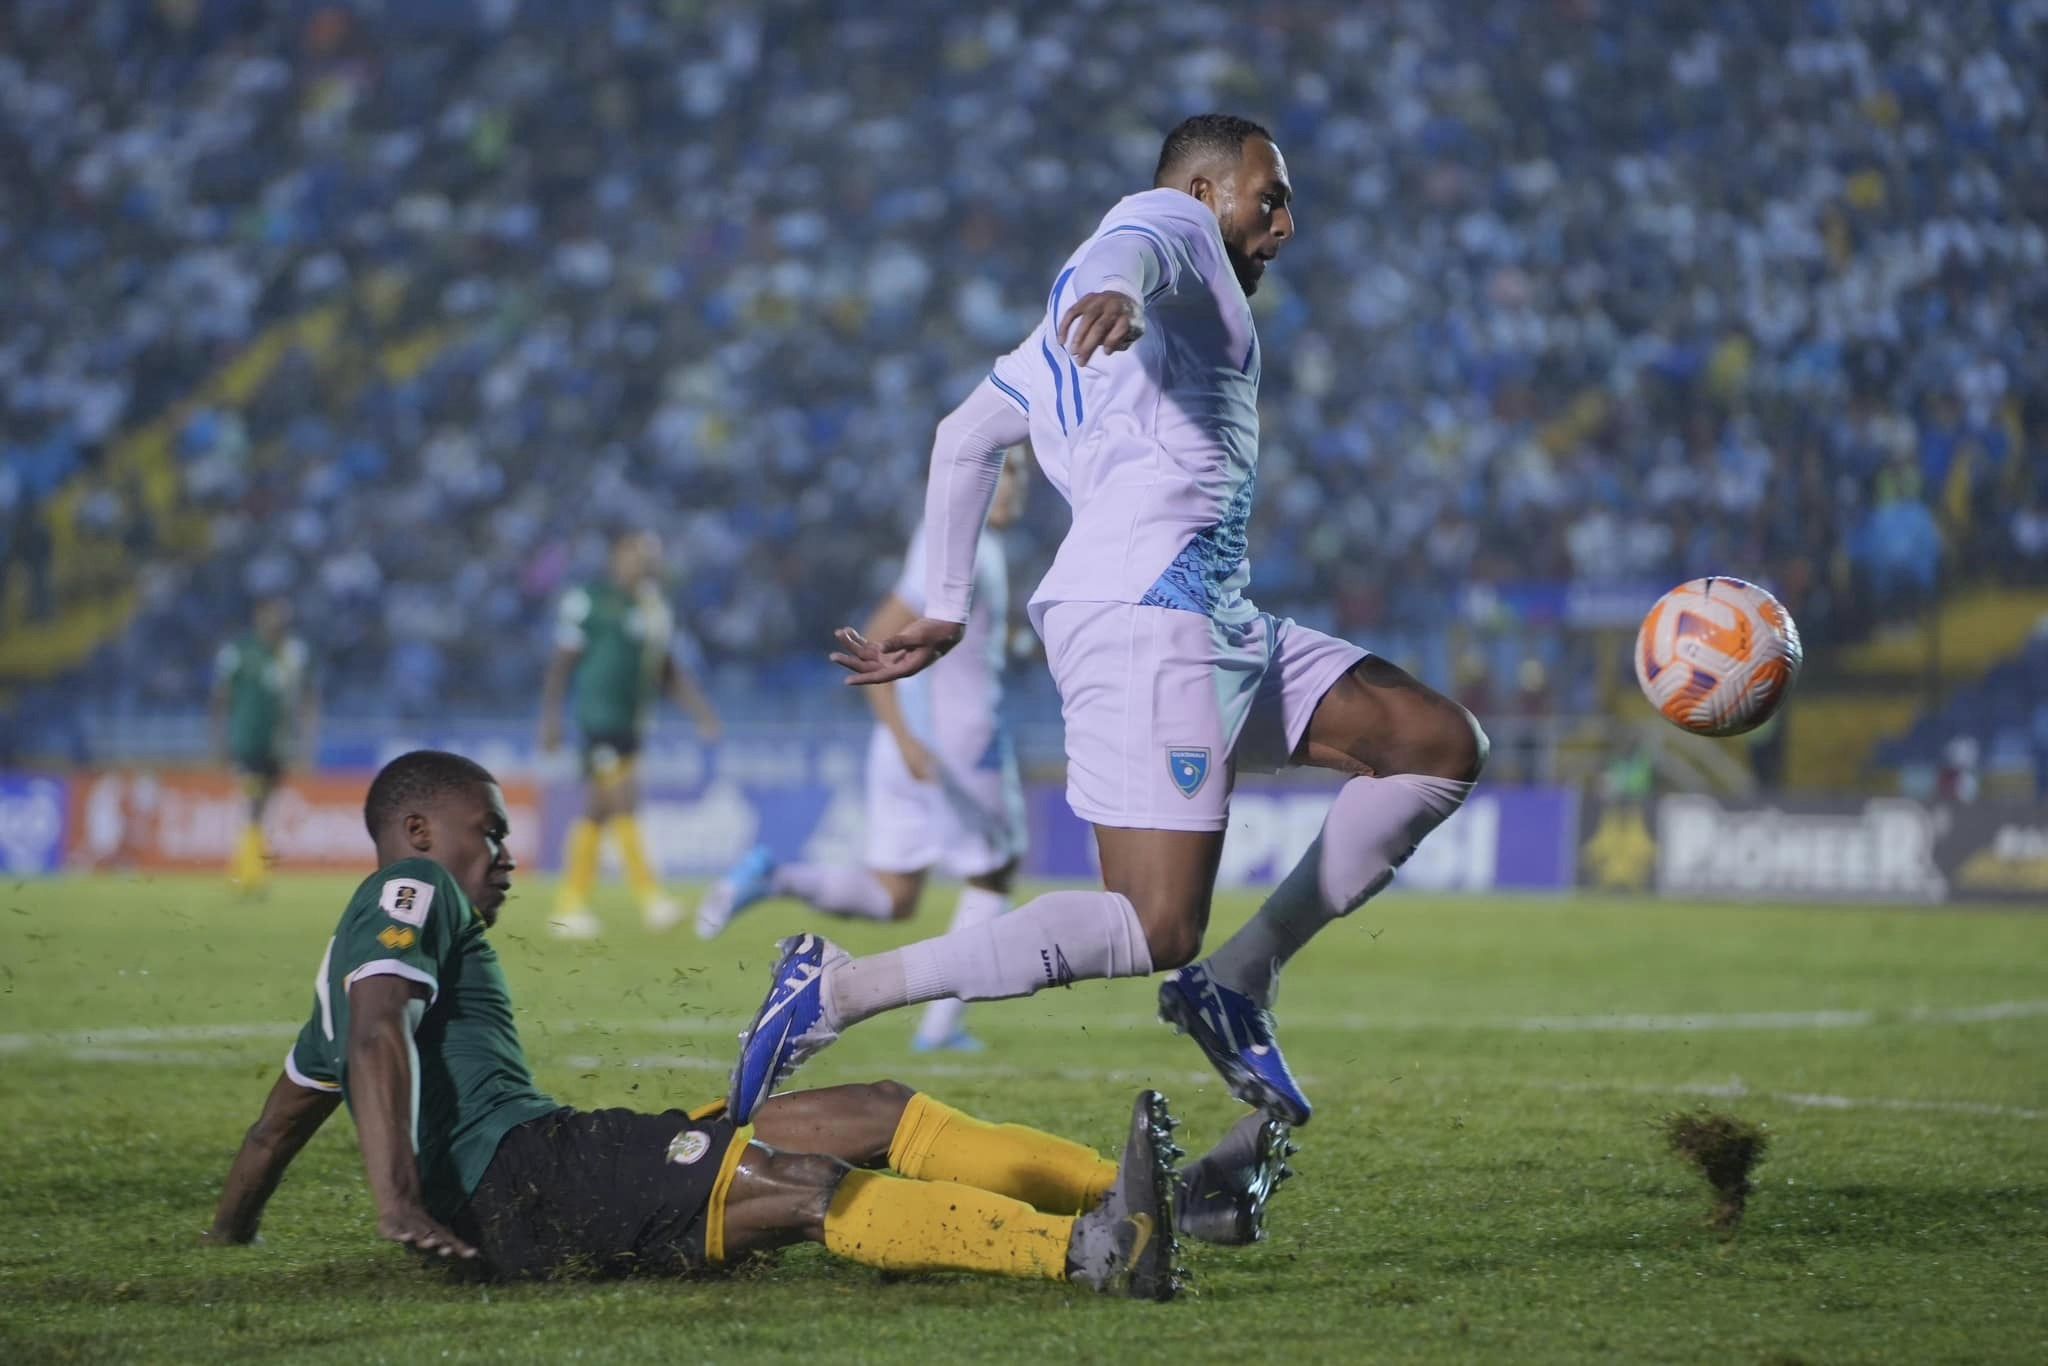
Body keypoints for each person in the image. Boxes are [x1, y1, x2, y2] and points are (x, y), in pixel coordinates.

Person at [732, 115, 1486, 1129]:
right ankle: (831, 993)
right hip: (1147, 619)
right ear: (1205, 191)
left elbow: (963, 439)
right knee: (1156, 920)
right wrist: (1121, 289)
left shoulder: (1052, 338)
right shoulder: (1164, 228)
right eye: (1267, 197)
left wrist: (948, 605)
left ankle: (1239, 981)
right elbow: (1132, 240)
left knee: (1437, 745)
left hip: (1207, 616)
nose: (1283, 222)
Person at [202, 750, 1290, 1295]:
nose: (504, 858)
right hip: (525, 1180)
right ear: (414, 828)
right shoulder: (408, 895)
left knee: (869, 1108)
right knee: (801, 1189)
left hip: (545, 1164)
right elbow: (383, 1033)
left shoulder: (337, 985)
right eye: (486, 835)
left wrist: (226, 1239)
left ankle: (1157, 1201)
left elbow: (274, 1128)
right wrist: (394, 1199)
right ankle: (1092, 1252)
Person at [696, 448, 1031, 1054]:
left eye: (1021, 474)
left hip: (914, 741)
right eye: (1007, 472)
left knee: (895, 897)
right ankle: (940, 1028)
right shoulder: (965, 543)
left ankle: (774, 876)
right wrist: (907, 738)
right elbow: (881, 631)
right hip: (953, 746)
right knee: (994, 874)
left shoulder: (958, 537)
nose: (1017, 487)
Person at [540, 529, 722, 938]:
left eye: (650, 556)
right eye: (637, 554)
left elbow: (666, 669)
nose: (644, 562)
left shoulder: (655, 607)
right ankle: (650, 898)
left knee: (597, 811)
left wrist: (701, 712)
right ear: (618, 556)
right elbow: (561, 663)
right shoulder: (590, 600)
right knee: (622, 802)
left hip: (633, 723)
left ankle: (569, 906)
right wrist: (550, 717)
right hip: (597, 719)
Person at [211, 597, 316, 893]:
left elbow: (308, 697)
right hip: (247, 739)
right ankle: (248, 871)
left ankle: (252, 868)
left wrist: (307, 743)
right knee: (254, 801)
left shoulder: (293, 652)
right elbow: (220, 697)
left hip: (277, 743)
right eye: (272, 615)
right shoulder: (240, 651)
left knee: (265, 807)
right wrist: (219, 742)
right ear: (259, 616)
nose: (277, 622)